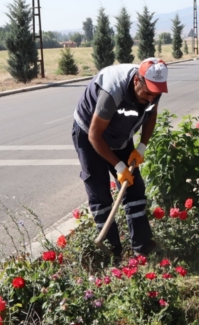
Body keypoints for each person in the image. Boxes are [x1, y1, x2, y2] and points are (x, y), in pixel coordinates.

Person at [71, 58, 168, 256]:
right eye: (148, 93)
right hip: (90, 133)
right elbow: (94, 135)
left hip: (120, 135)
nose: (151, 98)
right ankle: (112, 251)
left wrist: (141, 147)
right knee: (99, 190)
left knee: (134, 188)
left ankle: (142, 247)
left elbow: (151, 115)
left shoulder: (153, 90)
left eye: (155, 94)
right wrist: (119, 166)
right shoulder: (112, 91)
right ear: (136, 81)